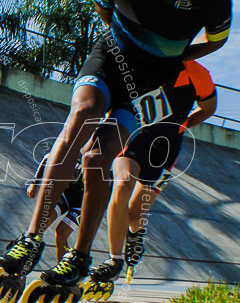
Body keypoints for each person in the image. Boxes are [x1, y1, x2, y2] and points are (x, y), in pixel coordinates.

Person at [0, 0, 232, 292]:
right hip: (110, 59)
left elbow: (218, 39)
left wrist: (176, 55)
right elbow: (105, 11)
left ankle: (80, 257)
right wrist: (127, 48)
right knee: (83, 115)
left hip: (148, 81)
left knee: (100, 156)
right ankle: (31, 239)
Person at [88, 59, 218, 285]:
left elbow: (209, 108)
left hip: (165, 151)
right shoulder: (139, 63)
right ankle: (114, 260)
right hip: (133, 140)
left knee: (134, 214)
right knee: (122, 184)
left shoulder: (196, 73)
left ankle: (136, 235)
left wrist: (182, 126)